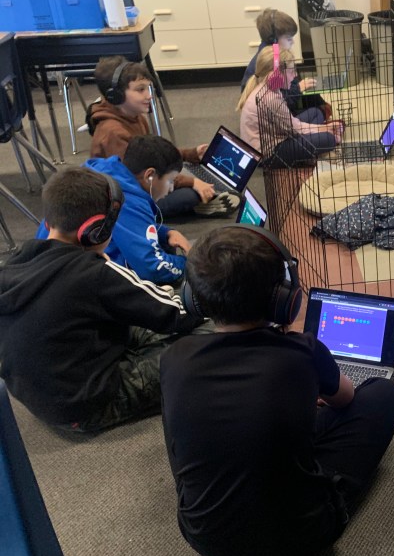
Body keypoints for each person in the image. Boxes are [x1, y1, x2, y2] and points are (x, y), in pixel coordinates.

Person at [160, 225, 394, 556]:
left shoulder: (174, 357)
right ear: (284, 299)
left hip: (204, 538)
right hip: (303, 538)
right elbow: (346, 400)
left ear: (195, 298)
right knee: (384, 394)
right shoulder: (303, 351)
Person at [0, 167, 202, 432]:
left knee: (137, 320)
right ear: (95, 231)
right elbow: (176, 313)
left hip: (44, 399)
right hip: (88, 408)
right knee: (206, 342)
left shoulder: (16, 261)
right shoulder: (95, 274)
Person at [87, 55, 238, 218]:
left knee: (184, 177)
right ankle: (197, 204)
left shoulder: (135, 116)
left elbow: (153, 154)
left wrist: (190, 154)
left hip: (146, 181)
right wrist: (192, 182)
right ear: (115, 95)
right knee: (188, 195)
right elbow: (141, 178)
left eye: (147, 88)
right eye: (140, 89)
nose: (148, 95)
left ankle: (199, 198)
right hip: (129, 197)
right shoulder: (113, 133)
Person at [84, 135, 191, 285]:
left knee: (164, 245)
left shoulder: (108, 170)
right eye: (170, 181)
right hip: (82, 279)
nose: (171, 188)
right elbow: (153, 268)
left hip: (59, 265)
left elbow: (127, 226)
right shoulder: (127, 200)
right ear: (150, 176)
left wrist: (165, 232)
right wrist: (188, 263)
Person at [238, 45, 343, 166]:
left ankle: (314, 146)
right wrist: (326, 128)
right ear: (276, 75)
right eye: (292, 71)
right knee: (329, 139)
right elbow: (295, 129)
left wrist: (324, 128)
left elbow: (293, 125)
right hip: (267, 155)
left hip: (279, 134)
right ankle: (318, 145)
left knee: (315, 112)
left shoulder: (270, 87)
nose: (295, 75)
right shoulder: (270, 98)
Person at [240, 7, 299, 90]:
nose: (293, 42)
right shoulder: (270, 63)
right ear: (273, 40)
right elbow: (275, 94)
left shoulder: (276, 54)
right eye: (289, 38)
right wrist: (298, 88)